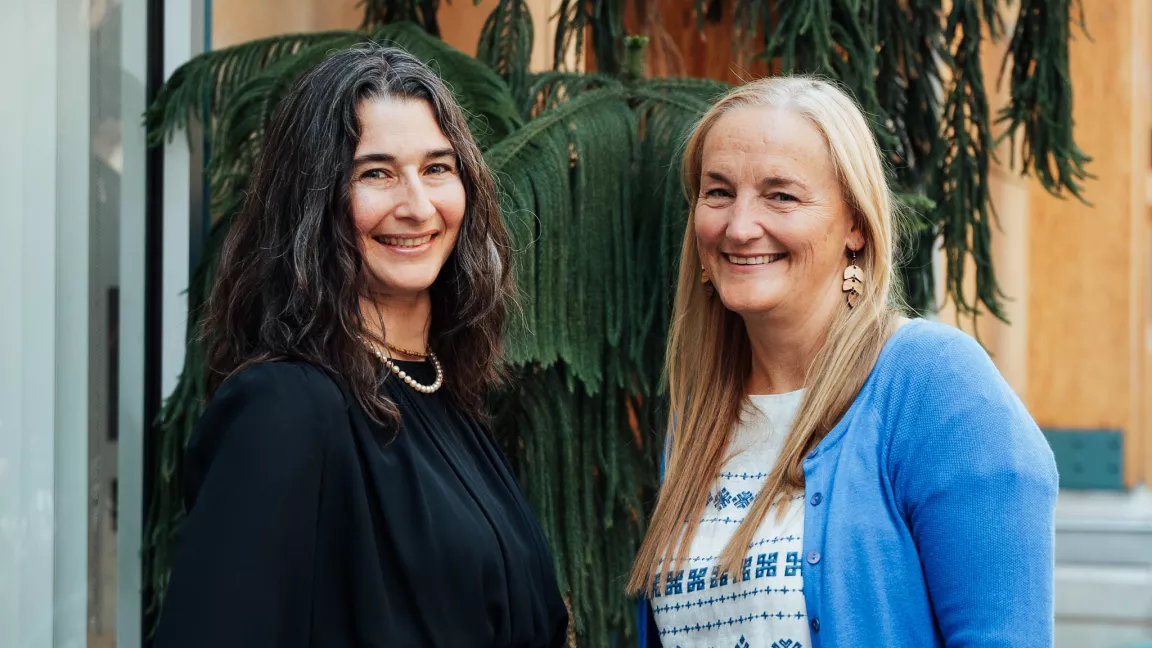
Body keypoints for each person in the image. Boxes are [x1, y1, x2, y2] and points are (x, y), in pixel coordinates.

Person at [155, 44, 569, 647]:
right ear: (313, 200)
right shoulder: (285, 408)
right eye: (375, 173)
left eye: (437, 168)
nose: (417, 206)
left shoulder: (442, 393)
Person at [628, 76, 1058, 648]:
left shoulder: (933, 385)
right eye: (719, 192)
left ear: (855, 224)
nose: (738, 226)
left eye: (781, 195)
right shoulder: (700, 419)